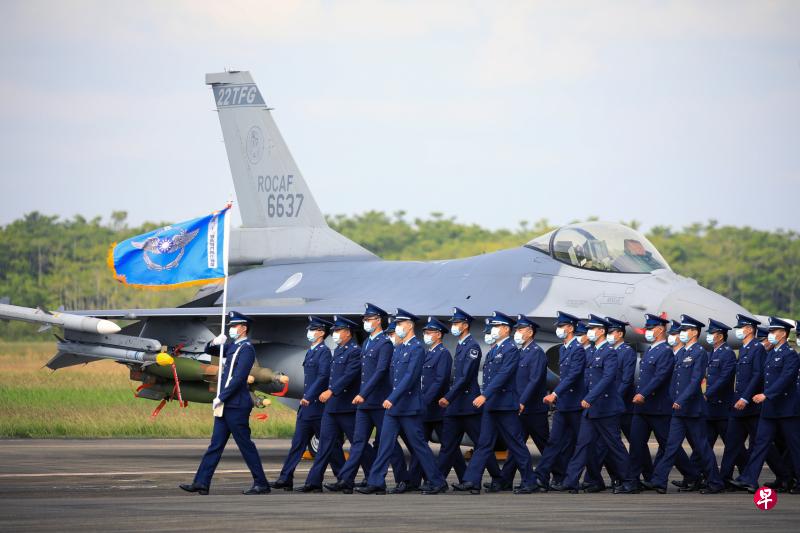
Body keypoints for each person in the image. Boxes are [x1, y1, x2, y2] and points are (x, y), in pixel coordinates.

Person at [357, 309, 448, 495]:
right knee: (385, 444)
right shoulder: (399, 349)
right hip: (394, 407)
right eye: (396, 324)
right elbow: (393, 377)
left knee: (418, 446)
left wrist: (392, 398)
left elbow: (410, 378)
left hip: (408, 407)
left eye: (400, 324)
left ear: (409, 325)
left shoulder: (416, 348)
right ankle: (376, 482)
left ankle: (438, 481)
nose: (397, 327)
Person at [180, 311, 271, 495]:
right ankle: (201, 482)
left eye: (235, 326)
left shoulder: (246, 349)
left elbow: (238, 378)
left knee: (245, 445)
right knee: (215, 445)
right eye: (231, 326)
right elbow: (210, 350)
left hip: (236, 404)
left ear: (244, 328)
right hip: (227, 405)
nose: (231, 329)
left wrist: (222, 396)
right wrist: (214, 343)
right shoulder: (232, 346)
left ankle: (261, 483)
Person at [325, 304, 409, 494]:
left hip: (378, 401)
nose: (366, 323)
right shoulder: (368, 343)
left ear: (378, 321)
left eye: (369, 319)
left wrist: (363, 393)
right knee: (358, 442)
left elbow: (380, 371)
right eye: (364, 320)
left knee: (388, 443)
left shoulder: (385, 343)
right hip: (365, 404)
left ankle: (403, 479)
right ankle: (346, 480)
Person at [452, 312, 538, 494]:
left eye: (496, 326)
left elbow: (503, 376)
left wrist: (485, 395)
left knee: (516, 444)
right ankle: (471, 481)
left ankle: (530, 481)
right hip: (492, 406)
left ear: (506, 329)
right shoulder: (494, 350)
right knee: (483, 444)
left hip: (505, 405)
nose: (493, 330)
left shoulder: (511, 350)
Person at [551, 315, 639, 494]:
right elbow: (586, 378)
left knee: (615, 446)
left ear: (601, 331)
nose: (589, 332)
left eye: (592, 329)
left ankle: (630, 481)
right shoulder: (591, 351)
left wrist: (590, 397)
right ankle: (571, 481)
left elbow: (607, 379)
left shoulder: (609, 352)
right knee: (582, 444)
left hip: (606, 408)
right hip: (591, 409)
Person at [645, 314, 725, 494]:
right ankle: (659, 481)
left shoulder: (699, 352)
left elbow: (696, 380)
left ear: (695, 332)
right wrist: (674, 399)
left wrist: (680, 400)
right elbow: (676, 380)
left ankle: (715, 482)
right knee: (670, 447)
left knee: (702, 447)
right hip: (678, 410)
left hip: (692, 409)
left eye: (685, 330)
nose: (681, 333)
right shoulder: (683, 353)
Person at [271, 316, 344, 490]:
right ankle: (285, 477)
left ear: (321, 333)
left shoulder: (324, 352)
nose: (309, 333)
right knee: (297, 443)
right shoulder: (311, 351)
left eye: (313, 330)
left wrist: (309, 396)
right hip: (306, 408)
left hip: (317, 406)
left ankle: (342, 477)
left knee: (330, 444)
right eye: (309, 329)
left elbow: (323, 377)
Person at [628, 315, 698, 490]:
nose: (648, 332)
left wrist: (643, 393)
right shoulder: (650, 350)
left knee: (669, 446)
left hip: (658, 408)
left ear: (660, 330)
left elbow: (660, 376)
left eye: (651, 329)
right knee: (636, 444)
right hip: (642, 408)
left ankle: (692, 475)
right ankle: (632, 481)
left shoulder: (665, 351)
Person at [731, 317, 800, 494]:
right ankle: (750, 479)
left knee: (794, 446)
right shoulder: (771, 354)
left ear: (783, 334)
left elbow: (786, 379)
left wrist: (767, 395)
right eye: (769, 332)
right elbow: (761, 377)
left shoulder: (790, 355)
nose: (770, 335)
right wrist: (748, 397)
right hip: (770, 410)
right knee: (760, 444)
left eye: (773, 332)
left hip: (785, 409)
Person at [297, 316, 366, 492]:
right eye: (334, 330)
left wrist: (331, 391)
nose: (334, 334)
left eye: (338, 331)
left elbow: (349, 376)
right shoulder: (338, 350)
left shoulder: (355, 351)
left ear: (348, 332)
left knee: (360, 444)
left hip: (346, 407)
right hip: (332, 408)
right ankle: (314, 482)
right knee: (324, 444)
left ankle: (371, 477)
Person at [438, 309, 498, 485]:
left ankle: (498, 478)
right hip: (456, 406)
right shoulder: (461, 345)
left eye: (457, 324)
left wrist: (448, 397)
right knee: (448, 445)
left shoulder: (472, 347)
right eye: (453, 324)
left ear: (465, 325)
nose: (454, 327)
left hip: (467, 405)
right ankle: (437, 481)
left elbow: (464, 378)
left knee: (481, 445)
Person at [533, 312, 586, 490]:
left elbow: (572, 376)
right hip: (564, 404)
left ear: (570, 328)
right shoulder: (563, 349)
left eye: (562, 327)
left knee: (583, 442)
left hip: (575, 404)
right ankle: (542, 476)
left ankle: (588, 478)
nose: (559, 330)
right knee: (554, 441)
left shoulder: (578, 349)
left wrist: (555, 394)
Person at [498, 315, 549, 491]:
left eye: (520, 330)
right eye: (517, 329)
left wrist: (522, 401)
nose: (517, 333)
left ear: (530, 332)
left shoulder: (536, 353)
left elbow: (534, 381)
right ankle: (505, 480)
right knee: (515, 444)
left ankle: (559, 476)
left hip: (533, 409)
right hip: (520, 408)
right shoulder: (521, 352)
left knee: (544, 445)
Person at [407, 317, 452, 490]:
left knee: (448, 447)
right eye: (425, 332)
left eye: (429, 332)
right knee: (420, 445)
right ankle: (414, 480)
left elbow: (440, 380)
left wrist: (424, 400)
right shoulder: (429, 353)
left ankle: (441, 479)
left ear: (439, 334)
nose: (426, 335)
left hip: (435, 408)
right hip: (426, 409)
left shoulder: (443, 354)